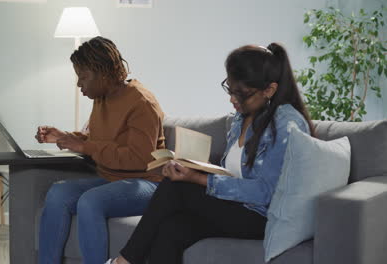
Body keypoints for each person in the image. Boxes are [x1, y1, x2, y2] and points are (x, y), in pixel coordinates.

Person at [107, 43, 316, 264]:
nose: (232, 99)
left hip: (262, 216)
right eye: (231, 89)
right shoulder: (242, 117)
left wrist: (197, 178)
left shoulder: (287, 123)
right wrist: (197, 168)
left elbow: (265, 192)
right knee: (172, 229)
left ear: (269, 90)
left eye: (241, 93)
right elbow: (233, 173)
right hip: (236, 207)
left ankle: (124, 260)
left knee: (176, 187)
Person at [35, 36, 165, 264]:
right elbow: (100, 140)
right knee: (57, 193)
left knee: (90, 201)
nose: (79, 84)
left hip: (148, 182)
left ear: (103, 73)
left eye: (83, 77)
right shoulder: (102, 97)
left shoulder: (141, 103)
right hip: (113, 179)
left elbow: (139, 158)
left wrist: (84, 145)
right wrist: (66, 137)